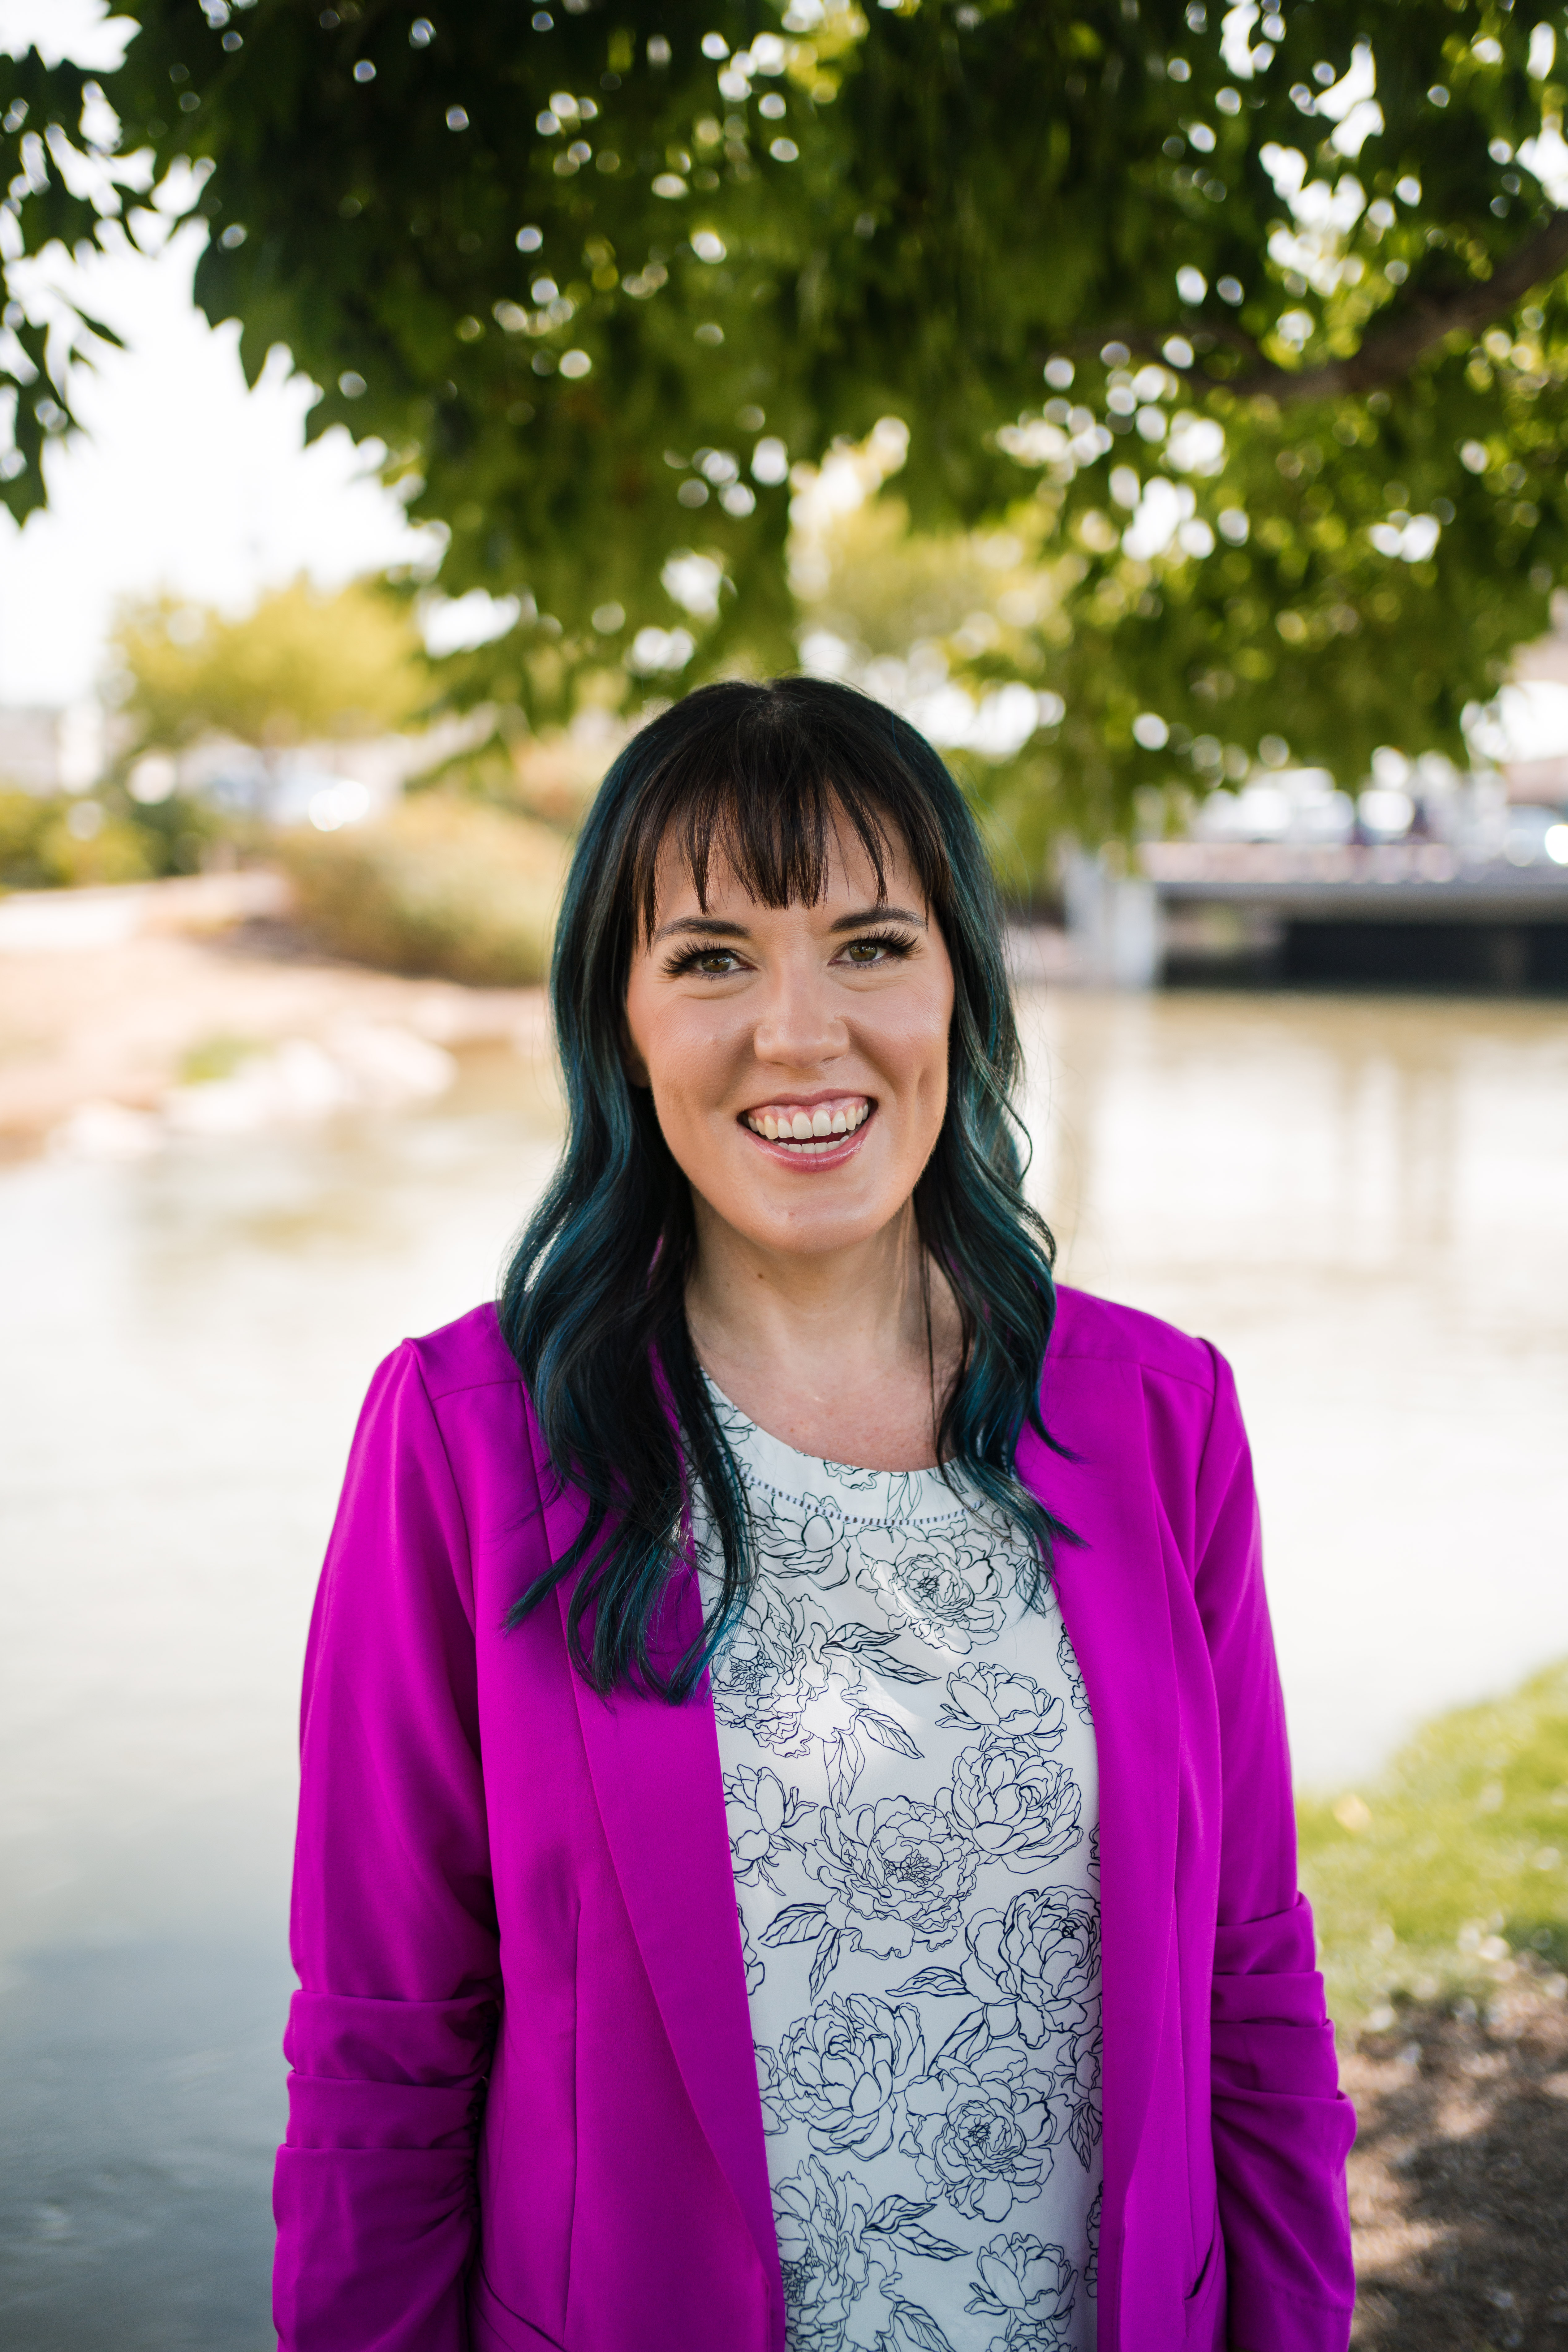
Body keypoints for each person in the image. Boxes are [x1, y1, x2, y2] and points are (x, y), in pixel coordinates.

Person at [273, 677, 1355, 2352]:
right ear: (619, 1015)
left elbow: (1254, 1982)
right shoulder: (463, 1445)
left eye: (870, 943)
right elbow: (383, 2052)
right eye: (711, 956)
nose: (799, 1032)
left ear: (962, 990)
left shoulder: (1163, 1418)